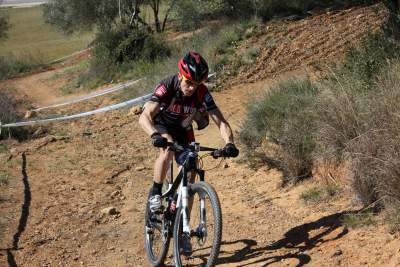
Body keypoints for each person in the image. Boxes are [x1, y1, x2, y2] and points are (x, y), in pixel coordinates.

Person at [139, 51, 239, 212]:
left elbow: (221, 122)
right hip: (162, 125)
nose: (192, 87)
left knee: (191, 166)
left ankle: (181, 222)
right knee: (168, 147)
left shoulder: (202, 92)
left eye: (197, 83)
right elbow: (145, 115)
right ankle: (156, 193)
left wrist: (229, 143)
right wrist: (154, 135)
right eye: (189, 82)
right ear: (180, 75)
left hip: (183, 129)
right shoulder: (168, 86)